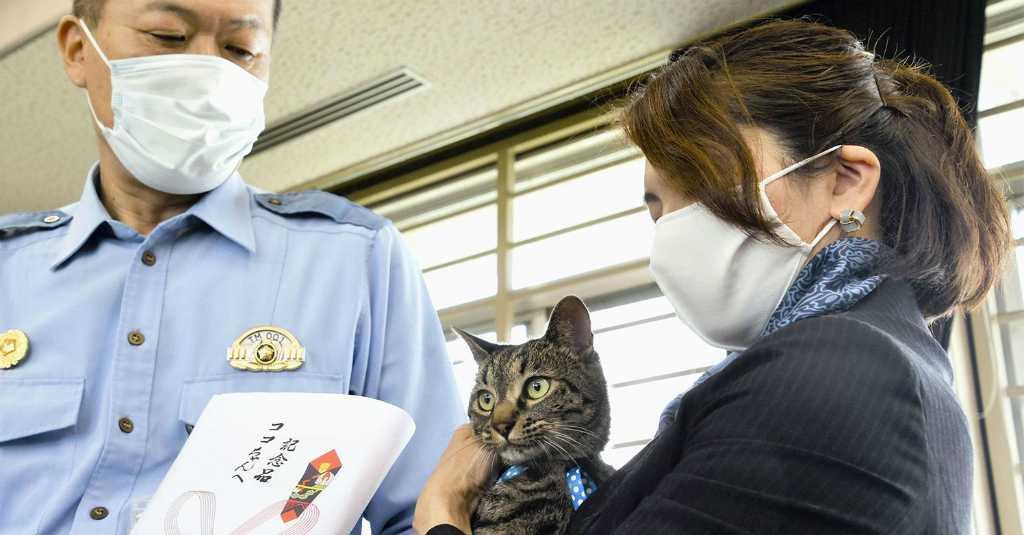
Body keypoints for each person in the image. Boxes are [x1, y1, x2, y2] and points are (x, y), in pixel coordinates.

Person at [413, 19, 1010, 535]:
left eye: (698, 183)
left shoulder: (837, 367)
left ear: (844, 182)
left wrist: (440, 512)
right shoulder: (885, 356)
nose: (673, 230)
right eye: (655, 207)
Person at [0, 1, 463, 533]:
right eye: (167, 36)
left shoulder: (356, 260)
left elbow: (430, 514)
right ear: (79, 50)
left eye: (239, 50)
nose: (208, 71)